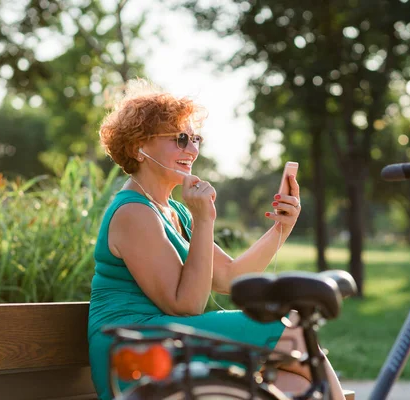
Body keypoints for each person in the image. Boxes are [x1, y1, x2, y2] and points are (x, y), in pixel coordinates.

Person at [87, 80, 345, 400]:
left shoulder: (173, 211)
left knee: (296, 387)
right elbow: (186, 306)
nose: (192, 150)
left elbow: (229, 278)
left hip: (168, 341)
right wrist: (205, 219)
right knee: (294, 333)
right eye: (180, 139)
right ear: (138, 147)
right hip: (136, 352)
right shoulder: (133, 214)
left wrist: (281, 228)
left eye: (195, 139)